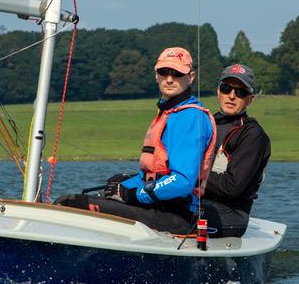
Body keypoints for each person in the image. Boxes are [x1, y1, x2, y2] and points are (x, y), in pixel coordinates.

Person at [55, 47, 215, 234]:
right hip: (158, 206)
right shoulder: (168, 114)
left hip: (176, 214)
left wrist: (132, 194)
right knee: (88, 197)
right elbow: (147, 177)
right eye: (164, 72)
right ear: (156, 75)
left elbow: (182, 181)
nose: (169, 79)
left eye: (177, 73)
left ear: (191, 77)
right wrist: (120, 188)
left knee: (71, 203)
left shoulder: (190, 117)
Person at [201, 64, 271, 237]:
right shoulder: (203, 123)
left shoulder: (253, 136)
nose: (231, 96)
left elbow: (231, 187)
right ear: (218, 91)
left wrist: (188, 174)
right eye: (226, 88)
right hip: (195, 203)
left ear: (250, 99)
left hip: (230, 215)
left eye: (240, 92)